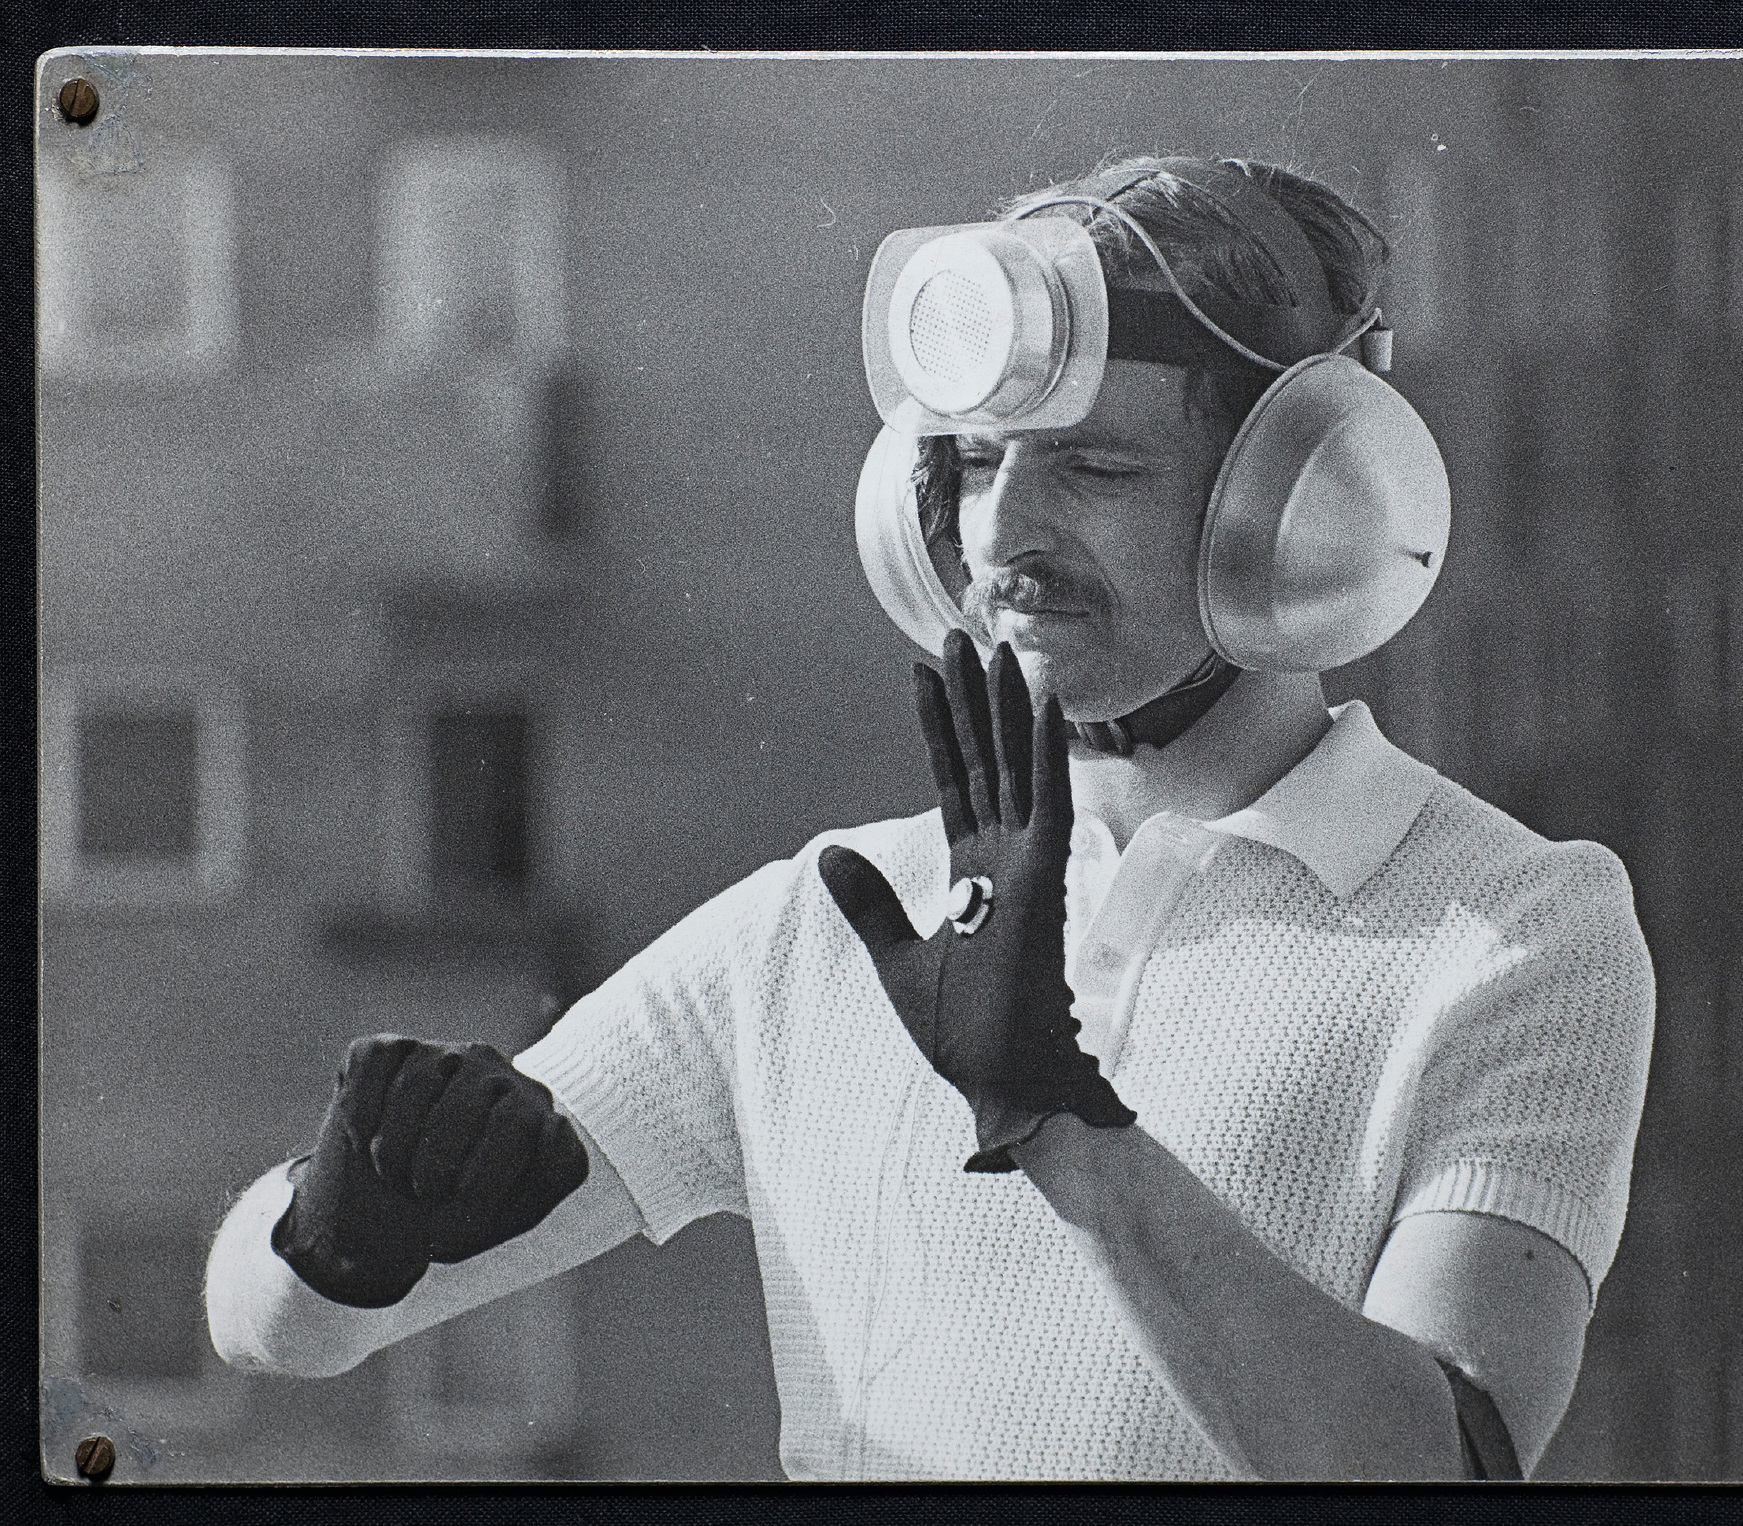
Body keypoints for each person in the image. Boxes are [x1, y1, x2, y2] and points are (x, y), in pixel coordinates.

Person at [206, 155, 1655, 1483]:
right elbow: (274, 1328)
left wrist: (1078, 1142)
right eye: (967, 463)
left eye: (1092, 467)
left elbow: (1442, 1466)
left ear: (1305, 509)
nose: (1000, 534)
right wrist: (349, 1220)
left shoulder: (1514, 929)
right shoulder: (834, 921)